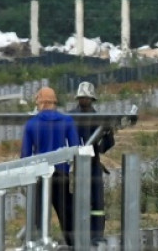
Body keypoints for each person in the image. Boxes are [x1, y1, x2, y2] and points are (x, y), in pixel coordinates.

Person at [21, 86, 81, 247]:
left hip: (40, 177)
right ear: (54, 102)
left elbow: (25, 156)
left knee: (38, 217)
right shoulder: (67, 121)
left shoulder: (31, 124)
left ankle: (40, 245)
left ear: (40, 102)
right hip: (61, 176)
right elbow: (76, 149)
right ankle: (73, 245)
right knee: (67, 215)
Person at [69, 82, 114, 245]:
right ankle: (77, 235)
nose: (84, 101)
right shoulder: (71, 118)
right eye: (82, 98)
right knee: (77, 200)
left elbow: (108, 143)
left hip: (93, 164)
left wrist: (106, 135)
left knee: (97, 202)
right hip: (75, 164)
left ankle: (96, 235)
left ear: (92, 99)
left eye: (86, 98)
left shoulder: (99, 119)